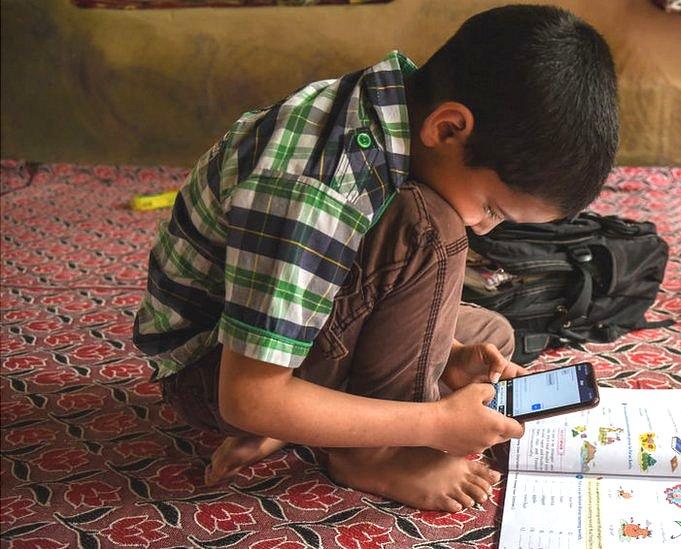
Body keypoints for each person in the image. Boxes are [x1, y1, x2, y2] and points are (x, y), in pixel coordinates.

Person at [133, 4, 618, 512]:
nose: (485, 228)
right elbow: (247, 398)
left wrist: (447, 353)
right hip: (211, 373)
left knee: (489, 338)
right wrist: (436, 425)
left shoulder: (392, 107)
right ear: (449, 128)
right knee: (430, 231)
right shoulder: (323, 183)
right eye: (492, 208)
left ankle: (313, 421)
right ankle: (368, 453)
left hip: (279, 333)